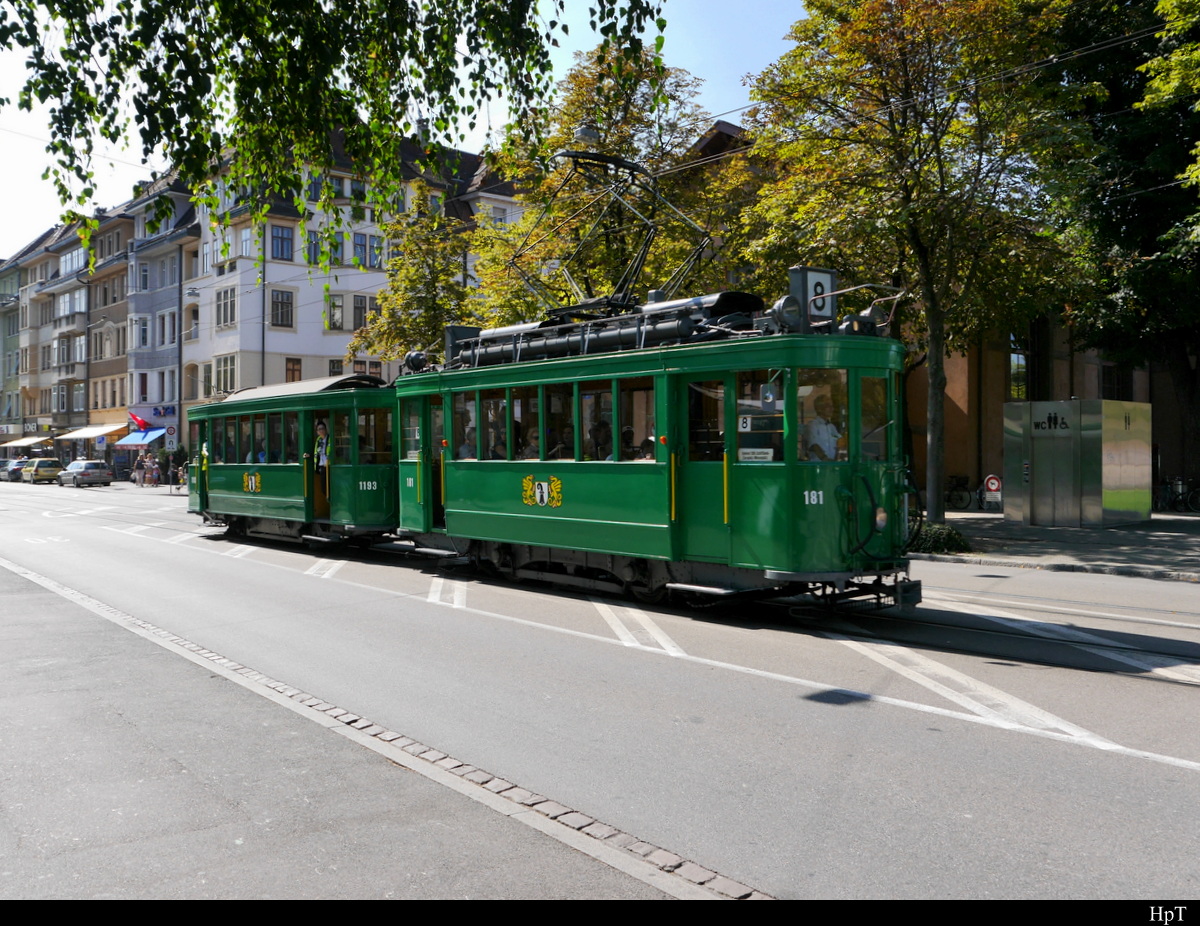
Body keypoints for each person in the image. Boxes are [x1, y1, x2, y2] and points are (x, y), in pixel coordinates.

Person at [804, 394, 842, 461]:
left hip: (832, 465)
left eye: (832, 406)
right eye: (828, 406)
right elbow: (814, 445)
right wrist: (825, 459)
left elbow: (840, 443)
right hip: (817, 466)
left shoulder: (832, 427)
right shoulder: (813, 425)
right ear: (819, 409)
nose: (832, 409)